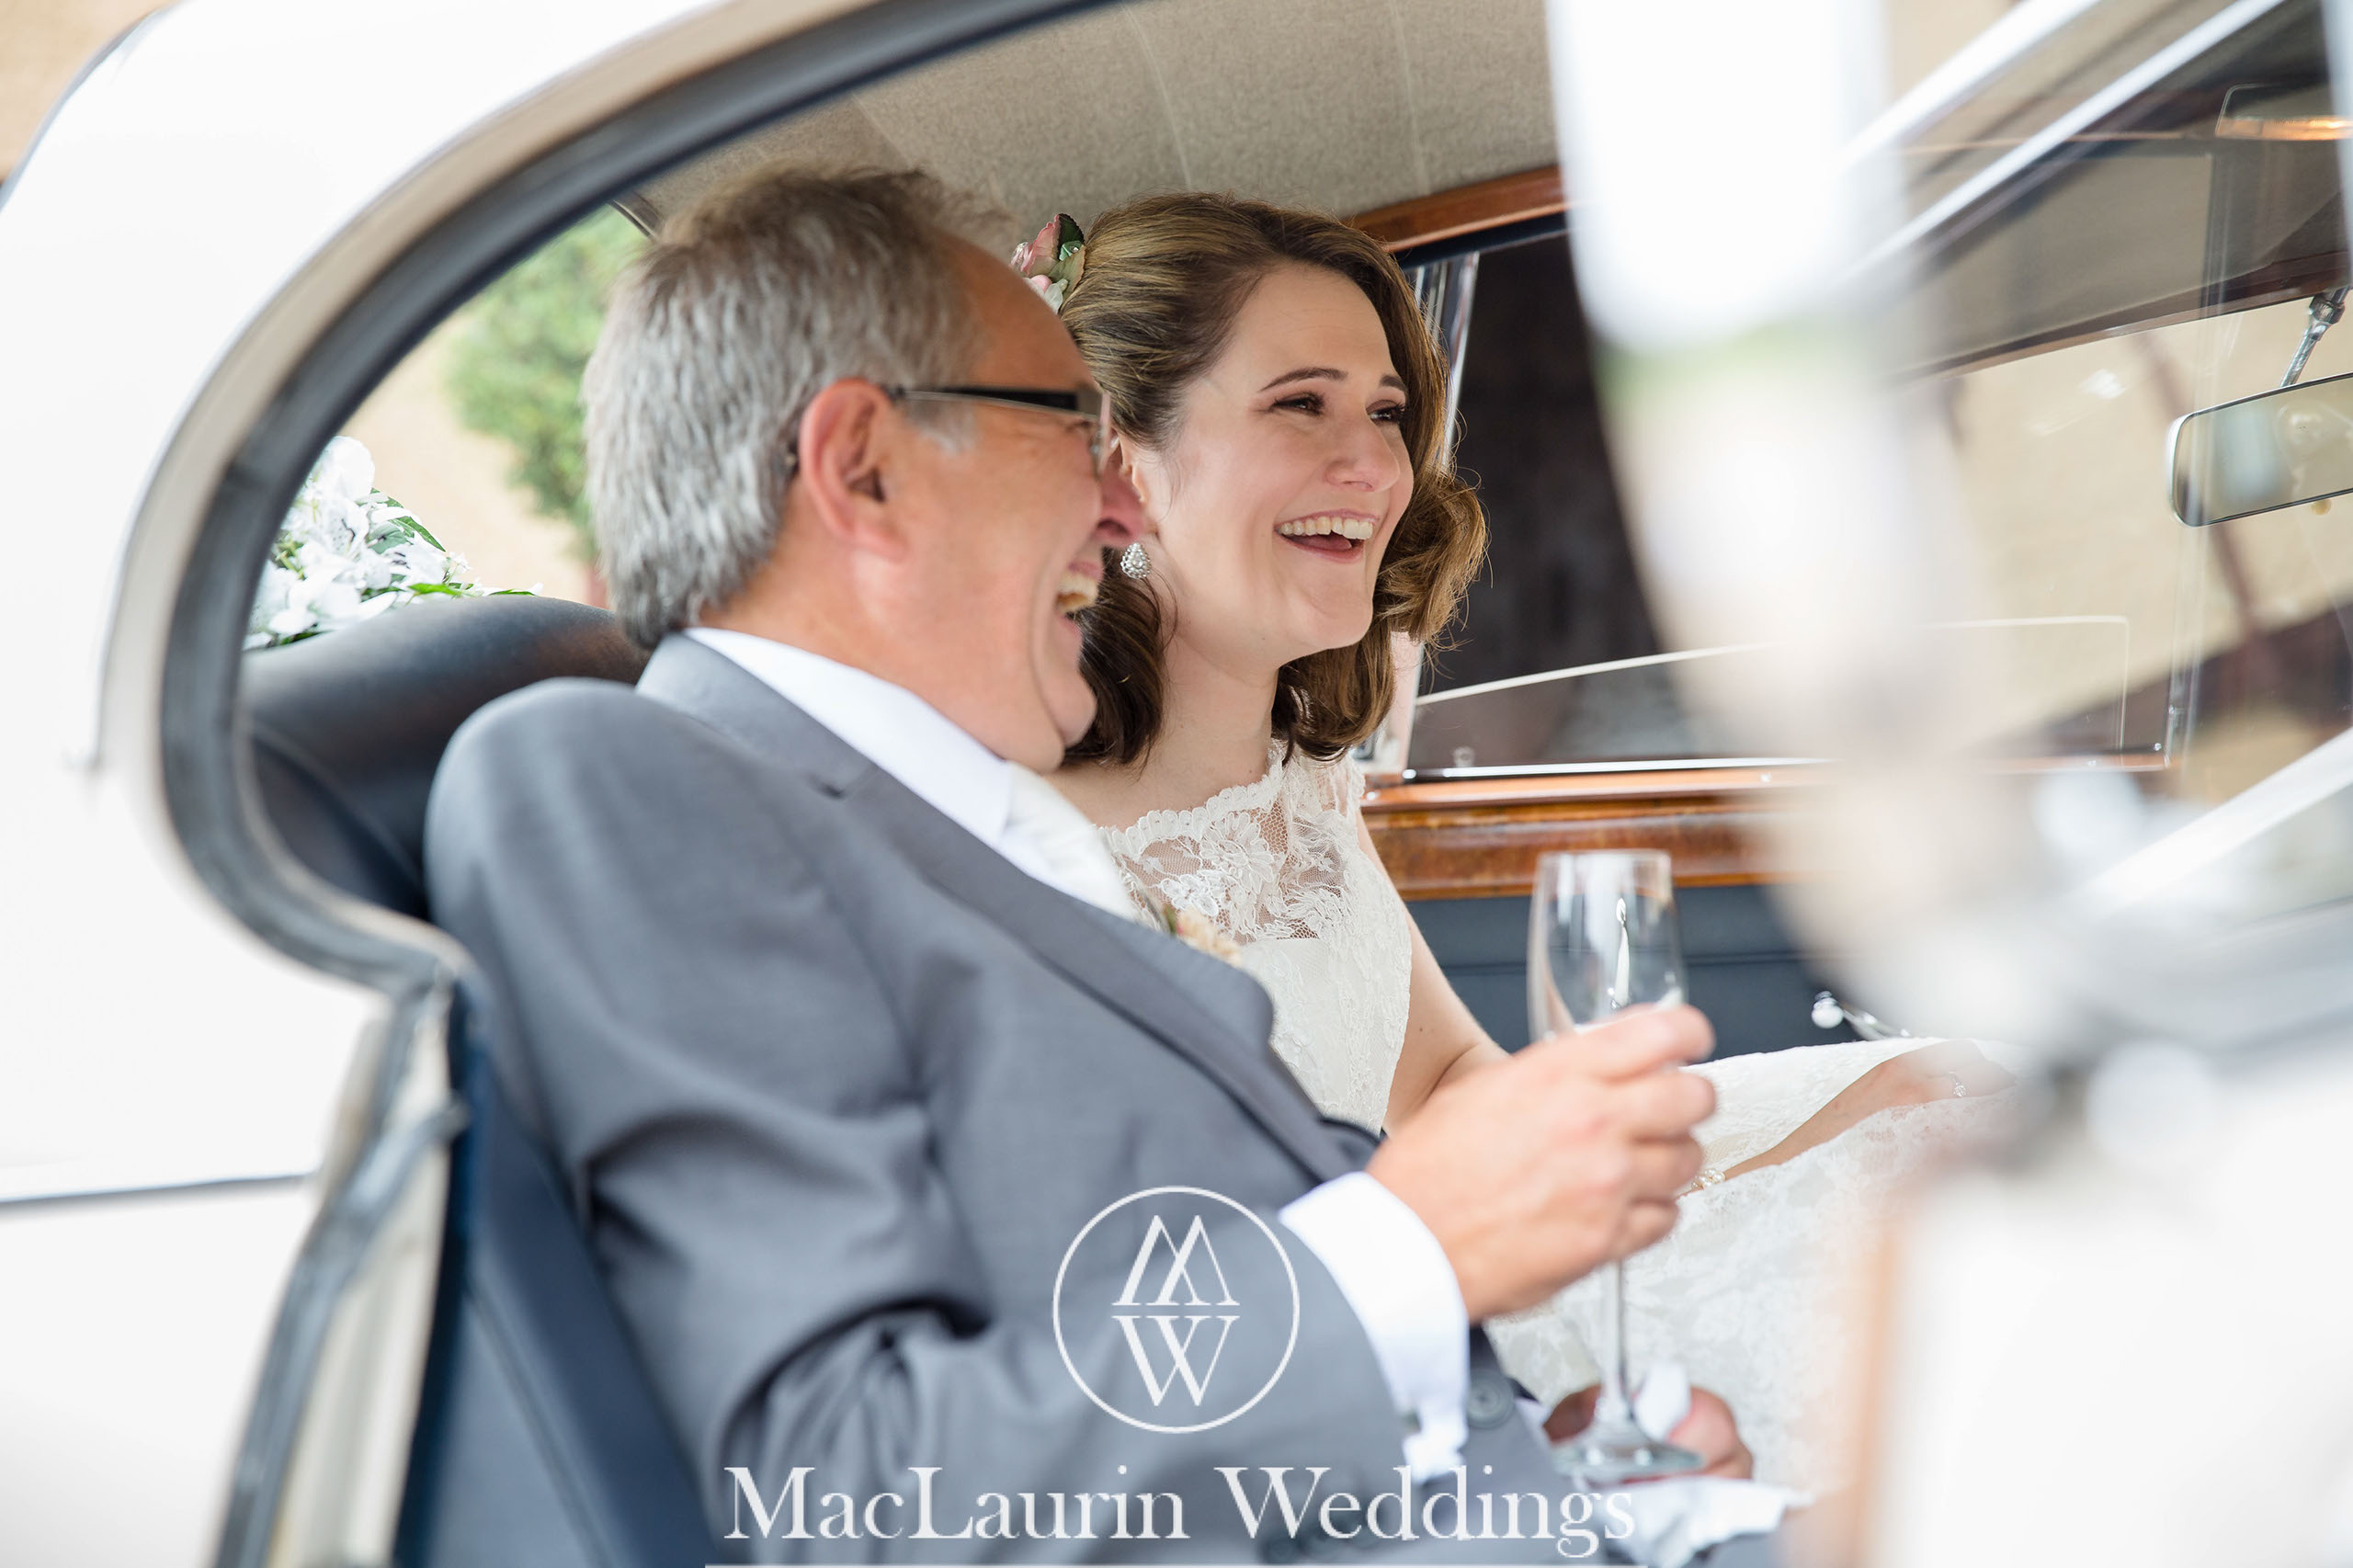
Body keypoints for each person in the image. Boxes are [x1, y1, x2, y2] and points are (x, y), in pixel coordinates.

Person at [425, 168, 1758, 1562]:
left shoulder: (961, 820)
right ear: (863, 467)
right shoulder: (621, 788)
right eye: (1073, 426)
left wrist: (1531, 1478)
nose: (1121, 511)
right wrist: (1407, 1242)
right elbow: (850, 1489)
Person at [1046, 191, 2017, 1491]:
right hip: (1383, 1368)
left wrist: (1790, 1131)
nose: (1376, 468)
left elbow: (1457, 1084)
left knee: (1955, 1096)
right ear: (1122, 456)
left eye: (1386, 414)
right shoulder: (1029, 838)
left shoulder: (1298, 776)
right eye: (1302, 405)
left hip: (1483, 1257)